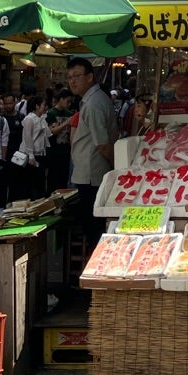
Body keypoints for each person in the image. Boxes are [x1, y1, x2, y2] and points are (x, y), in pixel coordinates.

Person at [67, 58, 118, 250]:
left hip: (92, 175)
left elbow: (103, 145)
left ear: (90, 77)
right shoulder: (90, 100)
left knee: (94, 227)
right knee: (92, 224)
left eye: (77, 76)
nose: (72, 81)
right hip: (89, 172)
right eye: (70, 77)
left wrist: (116, 168)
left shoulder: (94, 103)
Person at [19, 94, 51, 199]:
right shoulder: (30, 119)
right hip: (31, 155)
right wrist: (31, 155)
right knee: (31, 181)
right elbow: (28, 137)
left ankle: (39, 200)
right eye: (44, 105)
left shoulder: (41, 118)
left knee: (40, 180)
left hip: (41, 153)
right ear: (37, 106)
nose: (45, 107)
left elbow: (47, 134)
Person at [45, 89, 74, 187]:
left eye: (71, 102)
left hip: (66, 149)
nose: (69, 104)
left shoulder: (69, 113)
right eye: (67, 101)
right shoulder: (51, 113)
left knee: (64, 177)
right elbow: (52, 131)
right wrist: (66, 123)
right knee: (53, 177)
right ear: (61, 99)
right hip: (54, 149)